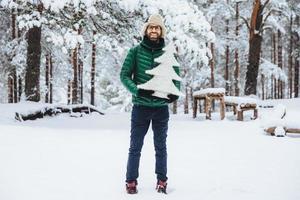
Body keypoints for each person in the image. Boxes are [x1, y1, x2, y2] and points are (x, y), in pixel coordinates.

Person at [120, 14, 180, 194]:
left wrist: (174, 94)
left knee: (161, 147)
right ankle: (131, 181)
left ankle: (162, 181)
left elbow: (176, 77)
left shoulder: (168, 53)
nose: (154, 30)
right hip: (141, 108)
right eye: (151, 27)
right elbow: (124, 75)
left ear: (161, 31)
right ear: (146, 30)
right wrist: (138, 90)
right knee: (135, 146)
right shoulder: (135, 51)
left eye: (157, 27)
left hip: (161, 109)